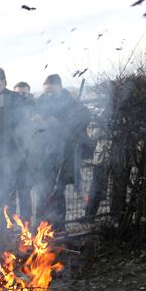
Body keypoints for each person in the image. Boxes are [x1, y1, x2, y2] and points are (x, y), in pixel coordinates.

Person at [34, 74, 90, 231]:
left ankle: (59, 227)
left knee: (58, 190)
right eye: (46, 92)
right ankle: (41, 227)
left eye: (51, 91)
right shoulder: (42, 100)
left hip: (65, 154)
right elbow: (35, 116)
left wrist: (58, 123)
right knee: (43, 190)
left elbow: (78, 125)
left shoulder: (71, 103)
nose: (49, 95)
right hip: (45, 153)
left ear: (59, 87)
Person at [0, 67, 32, 219]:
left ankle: (26, 227)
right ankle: (8, 231)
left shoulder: (17, 99)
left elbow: (20, 123)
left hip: (18, 154)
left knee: (23, 192)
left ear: (3, 82)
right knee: (5, 196)